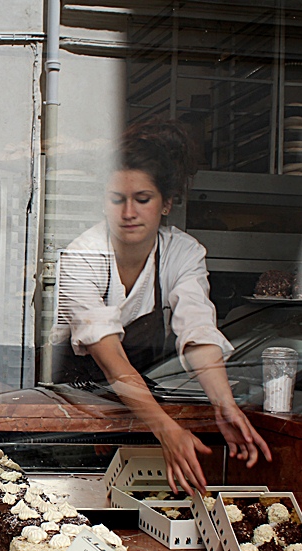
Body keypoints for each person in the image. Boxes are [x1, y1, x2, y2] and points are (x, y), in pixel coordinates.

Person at [52, 119, 271, 496]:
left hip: (140, 412)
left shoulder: (183, 253)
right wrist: (166, 428)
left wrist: (224, 404)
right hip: (78, 415)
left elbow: (198, 330)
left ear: (166, 203)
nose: (128, 212)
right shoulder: (81, 256)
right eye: (117, 199)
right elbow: (110, 359)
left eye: (143, 199)